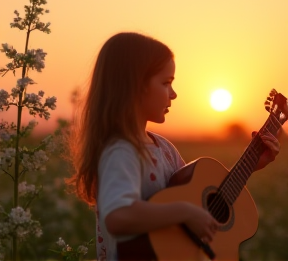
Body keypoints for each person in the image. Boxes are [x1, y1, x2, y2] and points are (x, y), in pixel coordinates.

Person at [67, 32, 280, 261]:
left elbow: (198, 198)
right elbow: (118, 216)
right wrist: (184, 213)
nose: (174, 94)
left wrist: (250, 166)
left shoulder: (164, 148)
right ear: (135, 86)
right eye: (166, 83)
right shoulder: (122, 152)